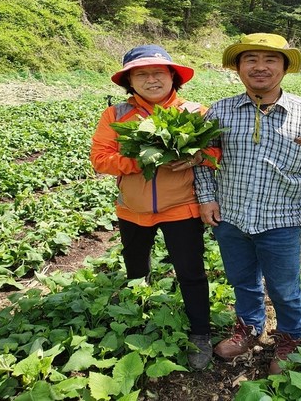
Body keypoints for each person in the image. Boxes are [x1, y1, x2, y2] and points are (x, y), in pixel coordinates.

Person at [193, 33, 301, 374]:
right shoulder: (220, 111)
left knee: (284, 286)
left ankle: (290, 336)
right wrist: (206, 198)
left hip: (283, 219)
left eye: (270, 60)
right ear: (238, 68)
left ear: (285, 68)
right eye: (251, 60)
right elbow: (202, 159)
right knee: (241, 279)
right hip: (231, 216)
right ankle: (249, 327)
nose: (260, 67)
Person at [90, 45, 219, 370]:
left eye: (158, 73)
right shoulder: (117, 115)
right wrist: (141, 158)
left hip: (182, 208)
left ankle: (200, 334)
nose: (151, 79)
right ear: (129, 82)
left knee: (190, 273)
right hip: (133, 210)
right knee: (136, 268)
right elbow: (100, 159)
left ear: (173, 77)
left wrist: (197, 156)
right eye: (141, 74)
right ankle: (136, 317)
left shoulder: (195, 112)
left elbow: (218, 155)